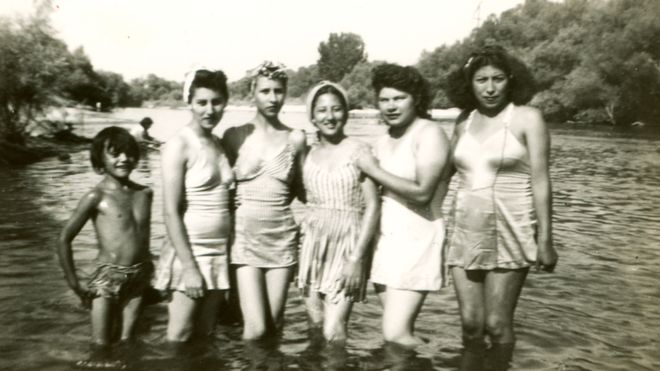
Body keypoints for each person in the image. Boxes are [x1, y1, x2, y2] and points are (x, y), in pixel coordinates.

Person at [444, 45, 558, 371]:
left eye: (497, 79)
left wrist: (546, 240)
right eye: (481, 80)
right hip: (465, 227)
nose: (490, 88)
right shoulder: (463, 122)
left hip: (512, 226)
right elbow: (441, 177)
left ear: (511, 80)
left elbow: (541, 181)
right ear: (469, 83)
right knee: (470, 326)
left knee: (496, 324)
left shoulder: (527, 118)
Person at [355, 63, 451, 347]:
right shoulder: (382, 140)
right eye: (384, 99)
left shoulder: (429, 133)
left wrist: (372, 169)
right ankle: (429, 356)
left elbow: (423, 192)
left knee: (394, 334)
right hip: (385, 242)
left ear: (416, 98)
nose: (391, 106)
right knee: (400, 331)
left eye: (399, 98)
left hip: (418, 240)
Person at [221, 61, 307, 340]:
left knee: (274, 324)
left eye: (279, 91)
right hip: (244, 235)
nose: (273, 98)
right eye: (265, 91)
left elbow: (304, 190)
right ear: (252, 93)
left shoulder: (296, 137)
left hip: (281, 235)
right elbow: (219, 189)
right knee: (255, 330)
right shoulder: (234, 135)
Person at [57, 126, 153, 369]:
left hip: (139, 277)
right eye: (115, 153)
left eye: (129, 153)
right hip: (106, 280)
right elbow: (64, 239)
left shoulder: (144, 193)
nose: (124, 159)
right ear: (100, 158)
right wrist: (74, 282)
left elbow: (143, 238)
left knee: (128, 342)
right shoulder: (95, 197)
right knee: (100, 346)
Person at [154, 68, 234, 344]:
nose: (209, 110)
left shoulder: (218, 144)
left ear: (225, 102)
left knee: (206, 335)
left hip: (218, 253)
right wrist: (189, 267)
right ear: (189, 103)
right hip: (192, 252)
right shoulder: (178, 145)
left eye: (216, 102)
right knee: (179, 335)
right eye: (201, 102)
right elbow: (170, 212)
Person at [297, 81, 380, 343]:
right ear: (312, 116)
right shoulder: (307, 153)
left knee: (333, 332)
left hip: (348, 245)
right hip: (313, 243)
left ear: (346, 112)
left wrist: (356, 259)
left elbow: (373, 206)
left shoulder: (360, 150)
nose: (329, 117)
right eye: (322, 110)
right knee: (315, 325)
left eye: (336, 109)